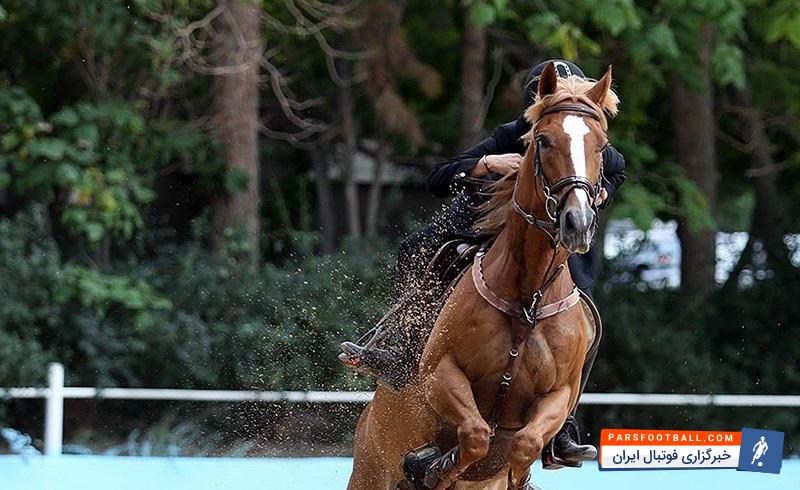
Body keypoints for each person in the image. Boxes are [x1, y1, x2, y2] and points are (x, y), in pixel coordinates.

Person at [340, 60, 627, 469]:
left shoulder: (586, 136)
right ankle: (398, 349)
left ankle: (562, 428)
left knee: (586, 315)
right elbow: (439, 178)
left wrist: (596, 193)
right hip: (482, 231)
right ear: (538, 102)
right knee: (420, 248)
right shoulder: (510, 136)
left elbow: (616, 170)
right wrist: (489, 164)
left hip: (553, 240)